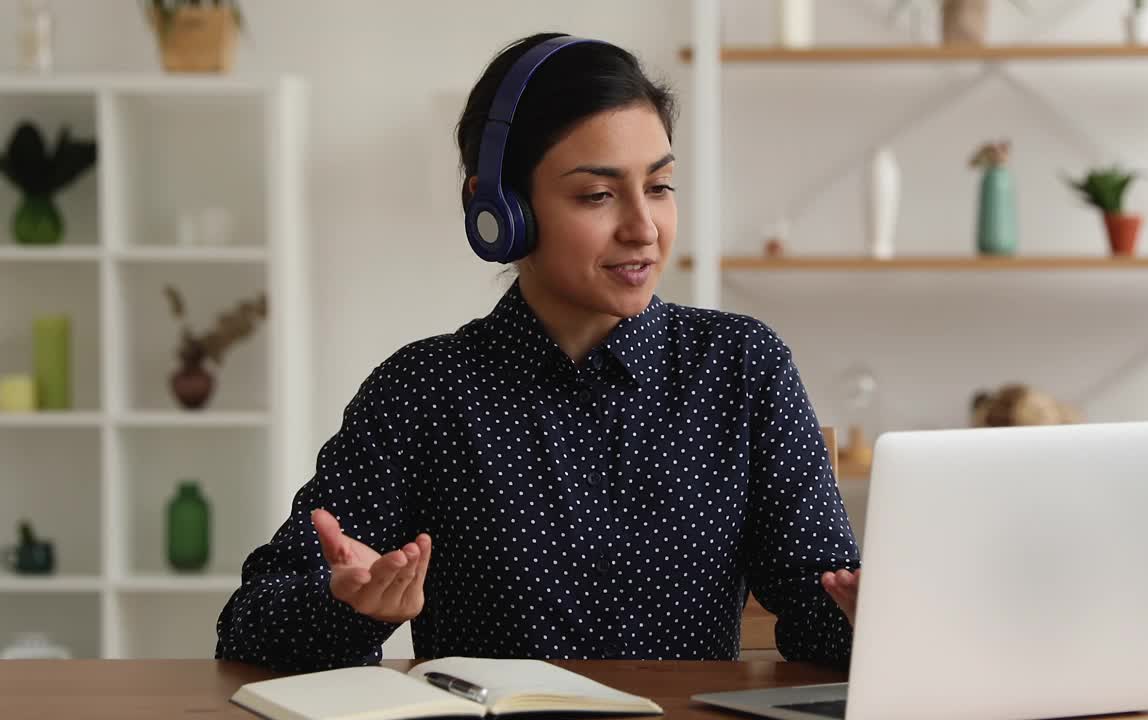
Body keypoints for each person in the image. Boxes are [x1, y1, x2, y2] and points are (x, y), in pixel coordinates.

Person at [215, 32, 861, 673]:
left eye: (660, 187)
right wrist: (347, 604)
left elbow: (820, 612)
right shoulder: (423, 391)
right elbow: (247, 624)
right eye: (598, 195)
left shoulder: (743, 367)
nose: (643, 228)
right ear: (498, 212)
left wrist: (876, 615)